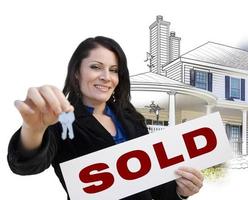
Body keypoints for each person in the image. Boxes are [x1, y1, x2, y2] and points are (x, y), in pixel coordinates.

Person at [7, 36, 203, 200]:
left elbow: (157, 189)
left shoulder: (132, 120)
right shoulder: (60, 121)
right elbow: (25, 166)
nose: (106, 76)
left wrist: (180, 191)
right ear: (76, 72)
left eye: (114, 70)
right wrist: (33, 128)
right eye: (96, 67)